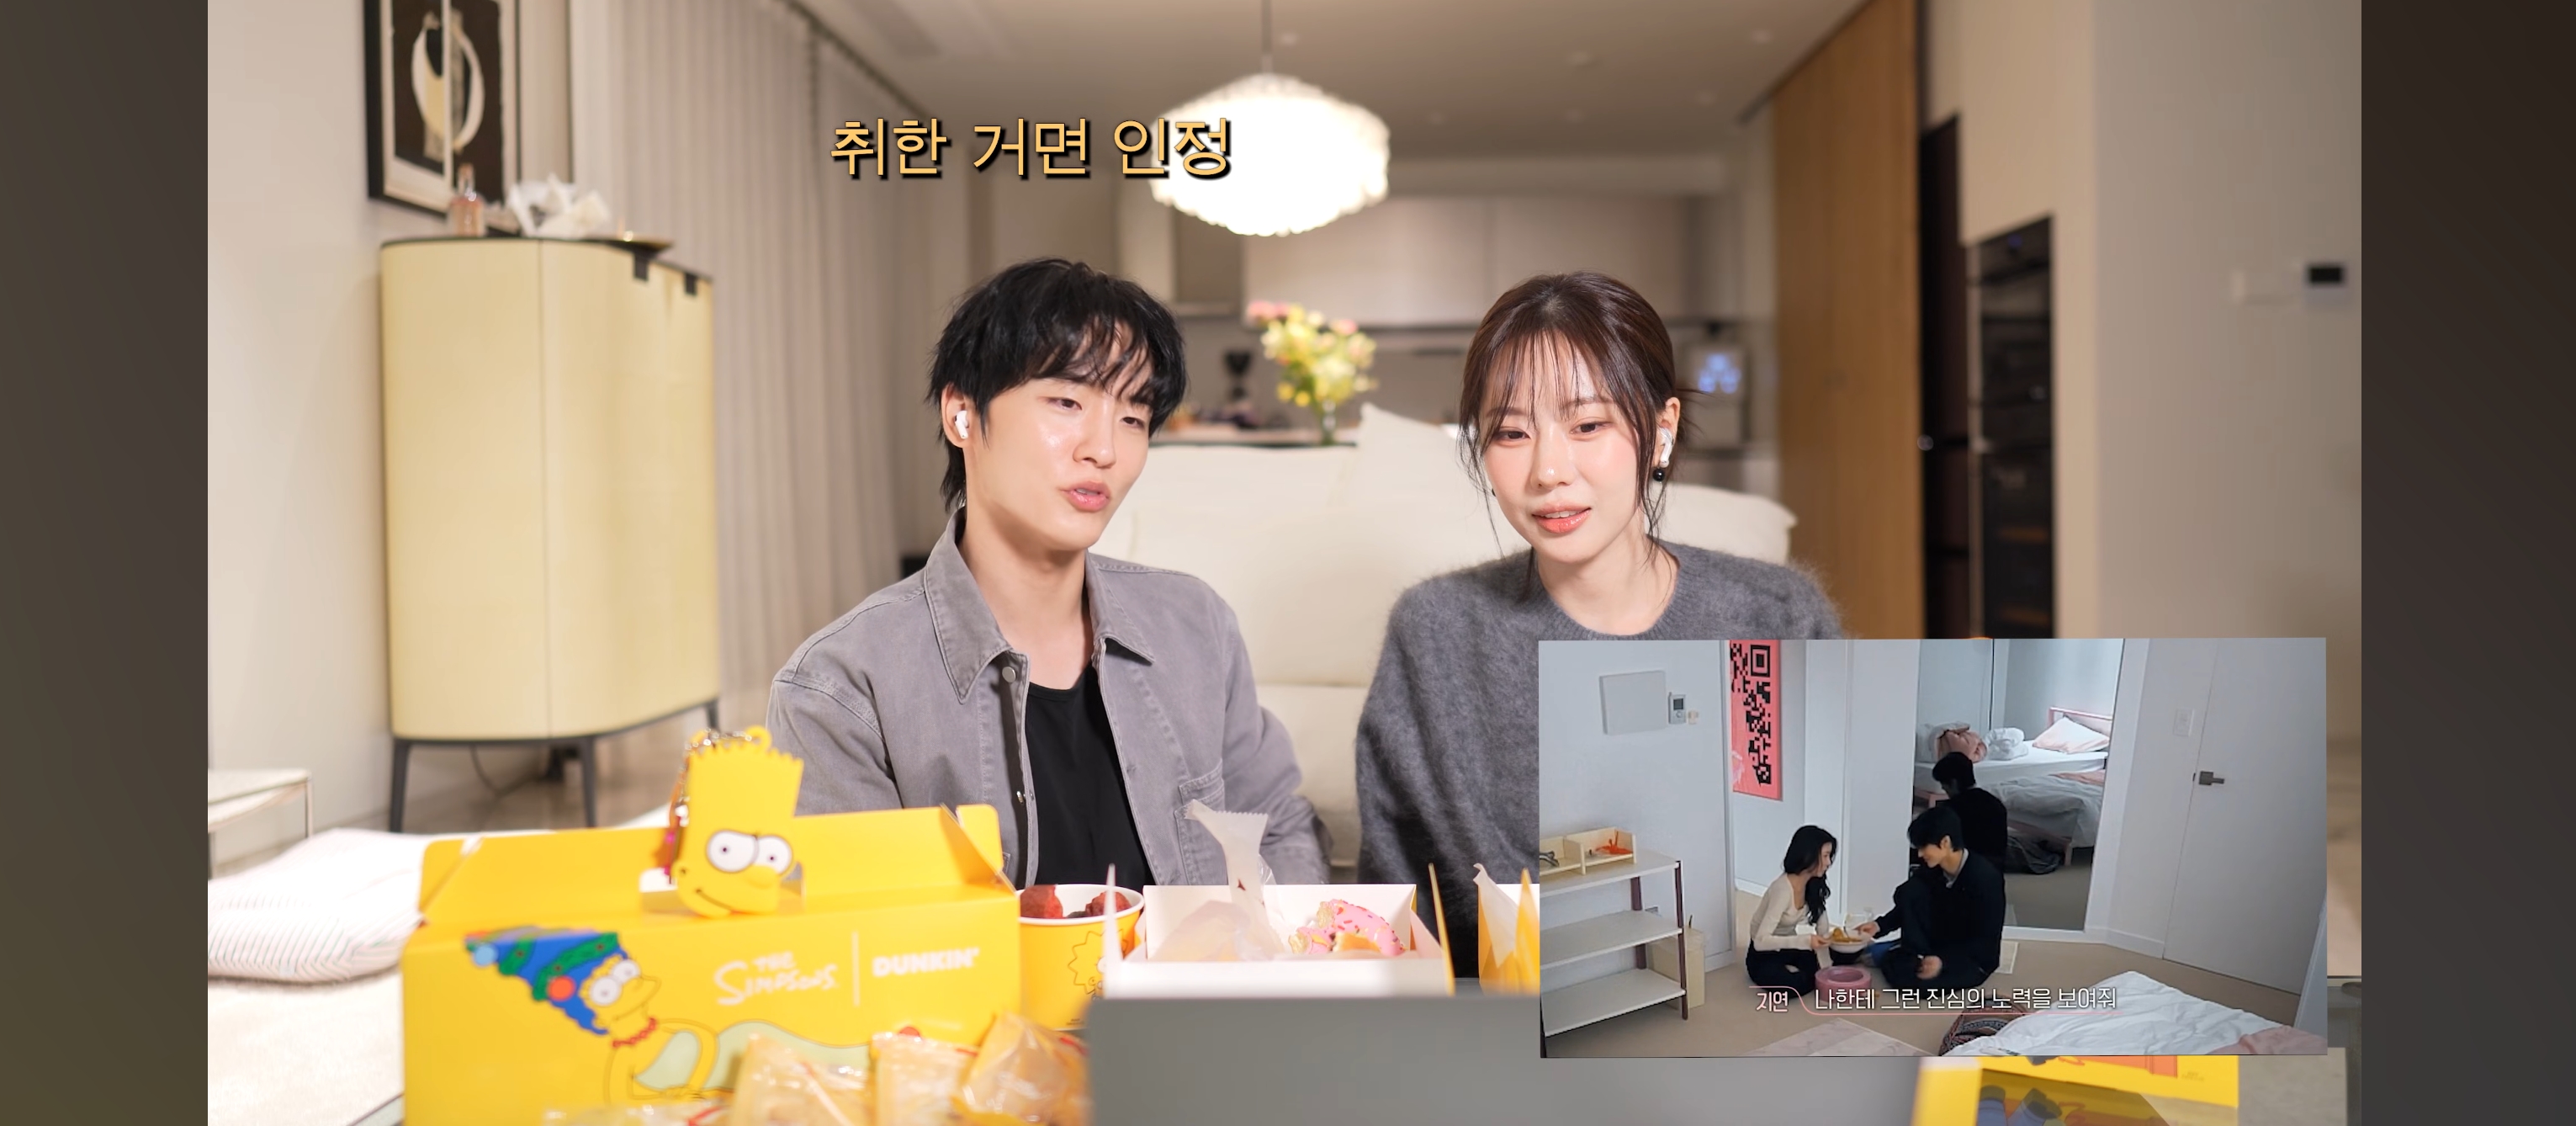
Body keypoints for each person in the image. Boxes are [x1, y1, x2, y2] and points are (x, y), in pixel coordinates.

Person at [767, 258, 1328, 890]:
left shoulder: (1196, 626)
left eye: (1133, 418)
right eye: (1066, 402)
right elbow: (856, 930)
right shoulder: (840, 687)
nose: (1104, 450)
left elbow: (1279, 829)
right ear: (961, 414)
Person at [1354, 272, 1843, 975]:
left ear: (1661, 431)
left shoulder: (1779, 615)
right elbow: (1397, 909)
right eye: (1511, 432)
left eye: (1588, 426)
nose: (1549, 470)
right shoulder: (1435, 635)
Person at [1870, 805, 2006, 991]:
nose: (1920, 854)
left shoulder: (1985, 879)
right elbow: (1909, 904)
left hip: (1971, 956)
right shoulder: (1932, 869)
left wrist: (1943, 961)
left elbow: (1986, 939)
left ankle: (1901, 953)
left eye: (1923, 847)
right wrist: (1879, 926)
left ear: (1945, 842)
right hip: (1937, 943)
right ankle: (1908, 953)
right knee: (1912, 889)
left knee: (1916, 984)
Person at [1746, 825, 1839, 998]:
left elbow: (1823, 931)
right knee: (1792, 987)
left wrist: (1827, 971)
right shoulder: (1782, 889)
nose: (1829, 863)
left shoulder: (1813, 883)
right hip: (1763, 951)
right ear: (1808, 855)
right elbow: (1760, 942)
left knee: (1823, 967)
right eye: (1825, 856)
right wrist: (1805, 941)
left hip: (1789, 946)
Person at [1932, 751, 2010, 871]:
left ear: (1953, 783)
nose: (1943, 788)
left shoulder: (1951, 809)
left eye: (1943, 784)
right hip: (1994, 873)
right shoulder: (1995, 804)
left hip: (1963, 873)